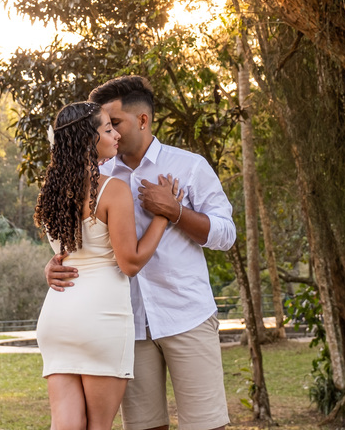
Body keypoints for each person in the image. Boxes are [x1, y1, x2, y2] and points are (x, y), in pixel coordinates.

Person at [46, 76, 236, 430]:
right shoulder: (97, 174)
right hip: (125, 324)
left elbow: (226, 234)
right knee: (144, 427)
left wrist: (176, 212)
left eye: (115, 123)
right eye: (106, 127)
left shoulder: (188, 166)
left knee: (207, 425)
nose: (111, 132)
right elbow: (85, 239)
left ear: (143, 120)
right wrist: (55, 264)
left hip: (185, 314)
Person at [34, 100, 179, 430]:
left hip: (57, 316)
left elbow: (68, 251)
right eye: (107, 129)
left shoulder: (52, 191)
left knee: (66, 424)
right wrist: (163, 216)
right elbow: (130, 263)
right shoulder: (112, 189)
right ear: (89, 139)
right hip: (100, 319)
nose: (115, 134)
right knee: (98, 426)